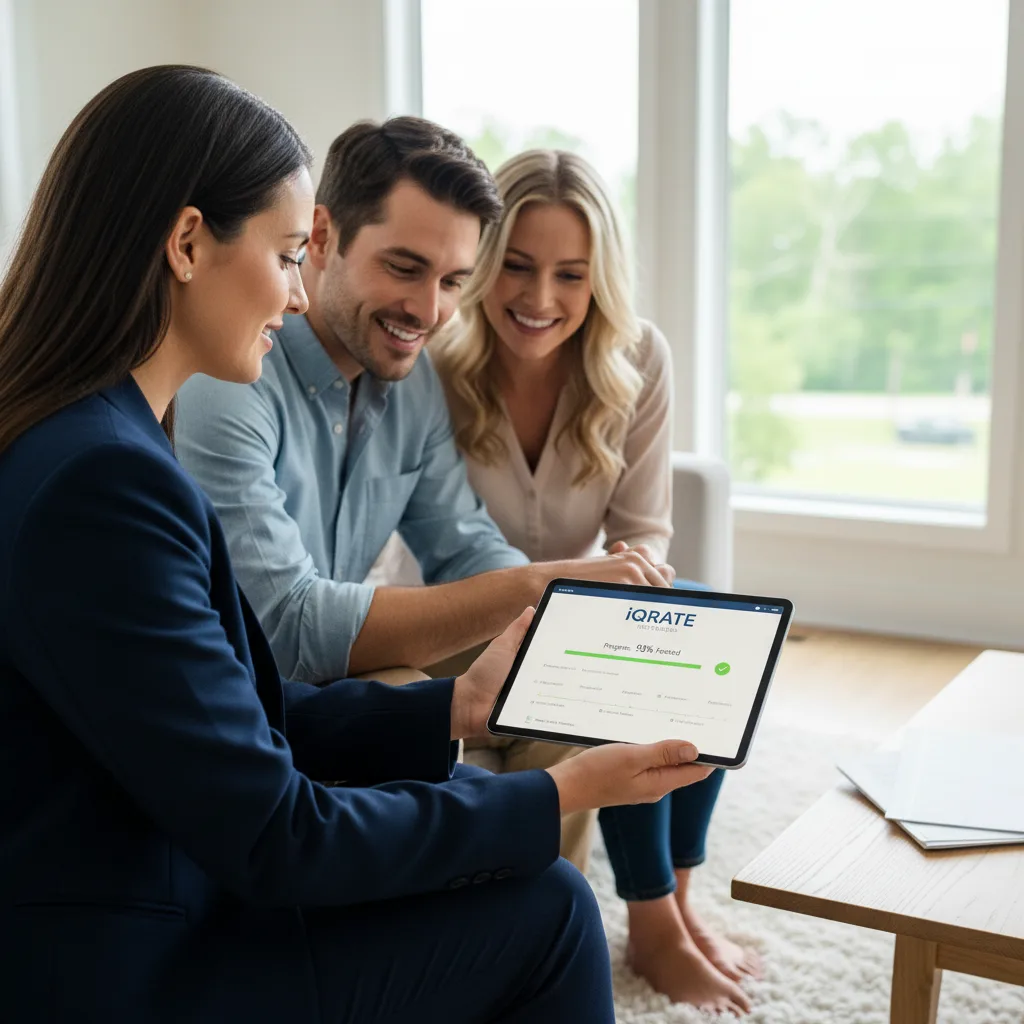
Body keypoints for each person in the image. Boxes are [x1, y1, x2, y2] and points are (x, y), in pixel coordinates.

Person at [0, 67, 715, 1023]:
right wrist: (554, 796)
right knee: (548, 911)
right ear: (185, 244)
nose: (295, 294)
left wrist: (453, 707)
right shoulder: (108, 480)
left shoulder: (92, 438)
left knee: (531, 889)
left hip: (160, 879)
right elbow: (281, 831)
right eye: (289, 253)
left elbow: (229, 718)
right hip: (127, 964)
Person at [175, 115, 674, 871]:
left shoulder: (406, 377)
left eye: (451, 282)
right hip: (262, 702)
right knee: (422, 716)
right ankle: (489, 925)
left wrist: (565, 620)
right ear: (321, 236)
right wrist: (542, 581)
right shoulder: (236, 371)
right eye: (404, 267)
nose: (428, 310)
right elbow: (282, 628)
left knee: (568, 694)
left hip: (337, 669)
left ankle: (530, 917)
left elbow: (461, 540)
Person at [432, 149, 761, 1016]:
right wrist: (556, 601)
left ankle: (677, 898)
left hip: (581, 608)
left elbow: (646, 527)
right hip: (464, 622)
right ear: (483, 261)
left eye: (569, 274)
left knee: (703, 639)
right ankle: (651, 921)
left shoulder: (637, 357)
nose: (540, 299)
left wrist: (625, 594)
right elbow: (435, 545)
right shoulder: (436, 361)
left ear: (598, 278)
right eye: (517, 265)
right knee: (634, 673)